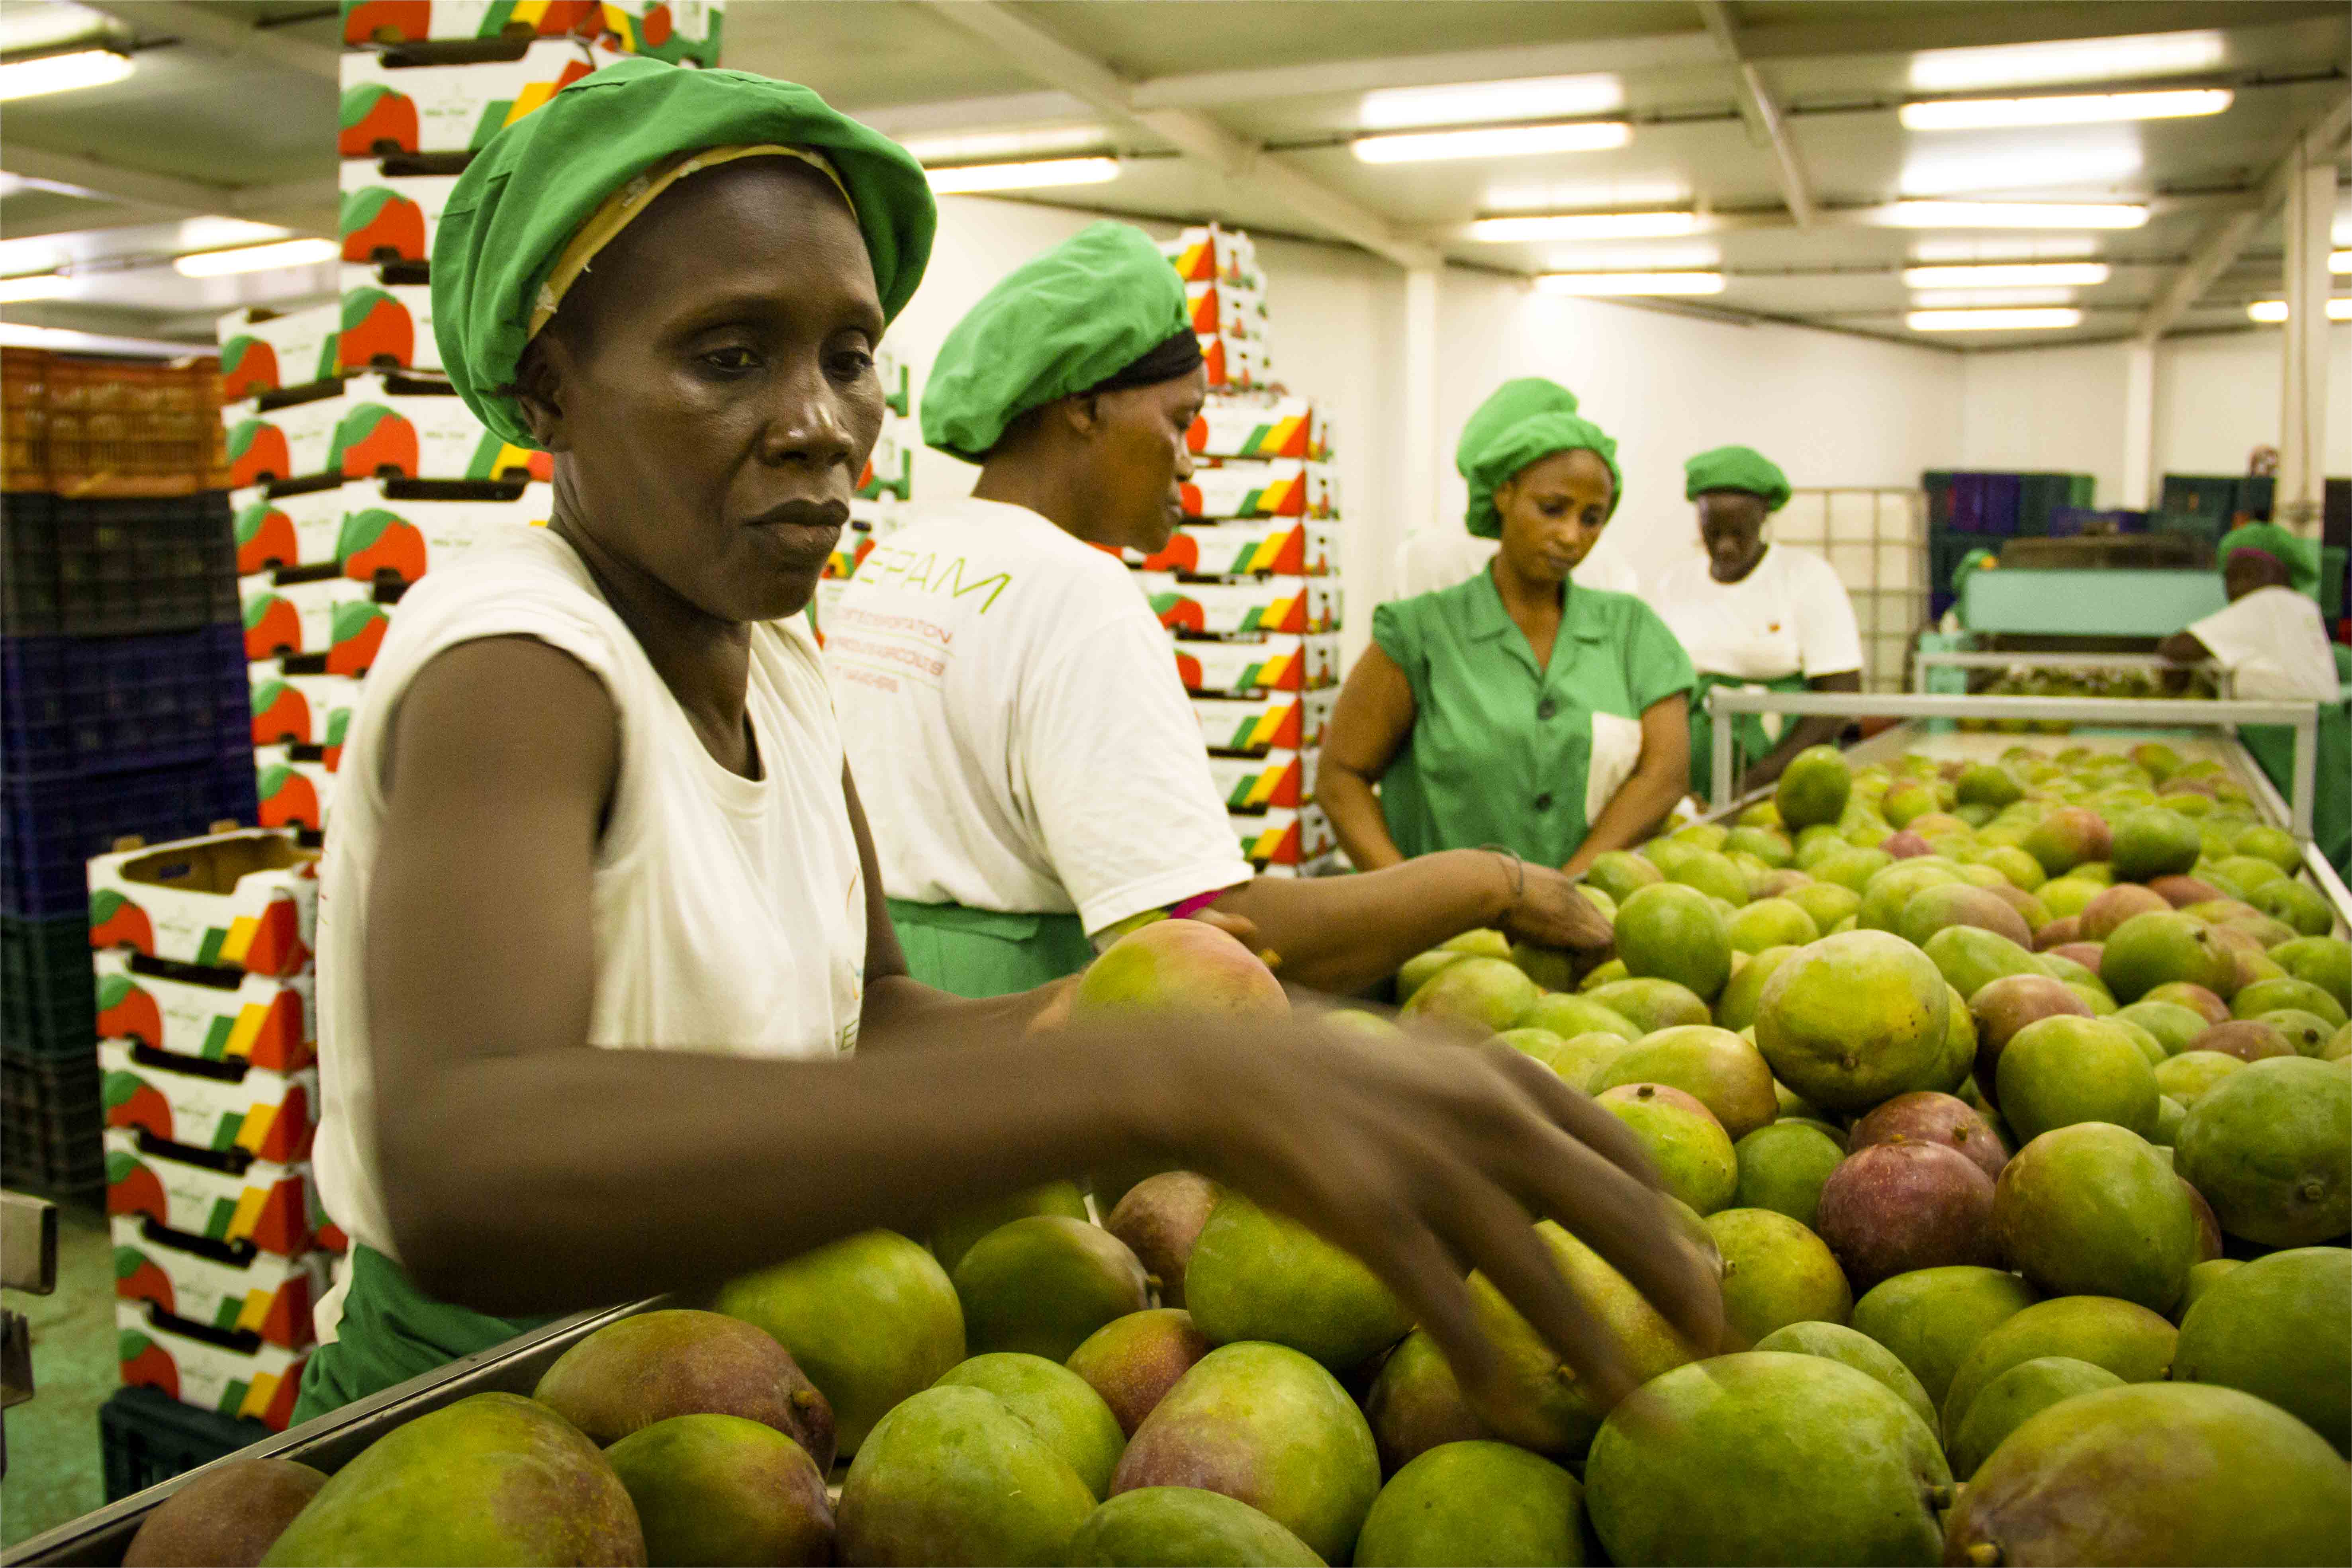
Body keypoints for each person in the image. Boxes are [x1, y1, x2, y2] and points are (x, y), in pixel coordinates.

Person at [295, 61, 1717, 1422]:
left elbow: (870, 1015)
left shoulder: (776, 649)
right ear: (547, 392)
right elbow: (464, 1155)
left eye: (847, 357)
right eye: (726, 357)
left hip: (722, 1378)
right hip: (482, 1404)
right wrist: (1135, 1075)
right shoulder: (517, 659)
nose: (818, 425)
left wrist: (1185, 1029)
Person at [828, 223, 1612, 999]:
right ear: (1087, 407)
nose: (1190, 458)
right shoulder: (1076, 593)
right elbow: (1216, 937)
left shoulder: (903, 556)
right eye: (1178, 419)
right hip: (1011, 1022)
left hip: (878, 1007)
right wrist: (1491, 884)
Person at [1318, 381, 1693, 879]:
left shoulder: (1632, 632)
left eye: (1592, 518)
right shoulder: (1421, 634)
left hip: (1587, 922)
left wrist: (1569, 887)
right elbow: (1340, 777)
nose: (1570, 535)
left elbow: (1664, 775)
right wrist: (1409, 898)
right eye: (1552, 508)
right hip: (1443, 942)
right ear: (1505, 494)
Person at [1656, 445, 1863, 802]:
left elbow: (1840, 697)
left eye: (1738, 532)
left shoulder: (1806, 577)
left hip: (1786, 776)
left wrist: (1762, 778)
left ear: (1764, 516)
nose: (1724, 546)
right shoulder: (1674, 585)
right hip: (1689, 778)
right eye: (1712, 531)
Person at [2158, 522, 2348, 873]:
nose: (2237, 586)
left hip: (2292, 742)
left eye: (2249, 572)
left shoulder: (2269, 604)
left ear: (2279, 573)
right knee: (2327, 835)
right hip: (2320, 740)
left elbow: (2180, 646)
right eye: (2230, 577)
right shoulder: (2297, 605)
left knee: (2302, 836)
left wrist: (2177, 659)